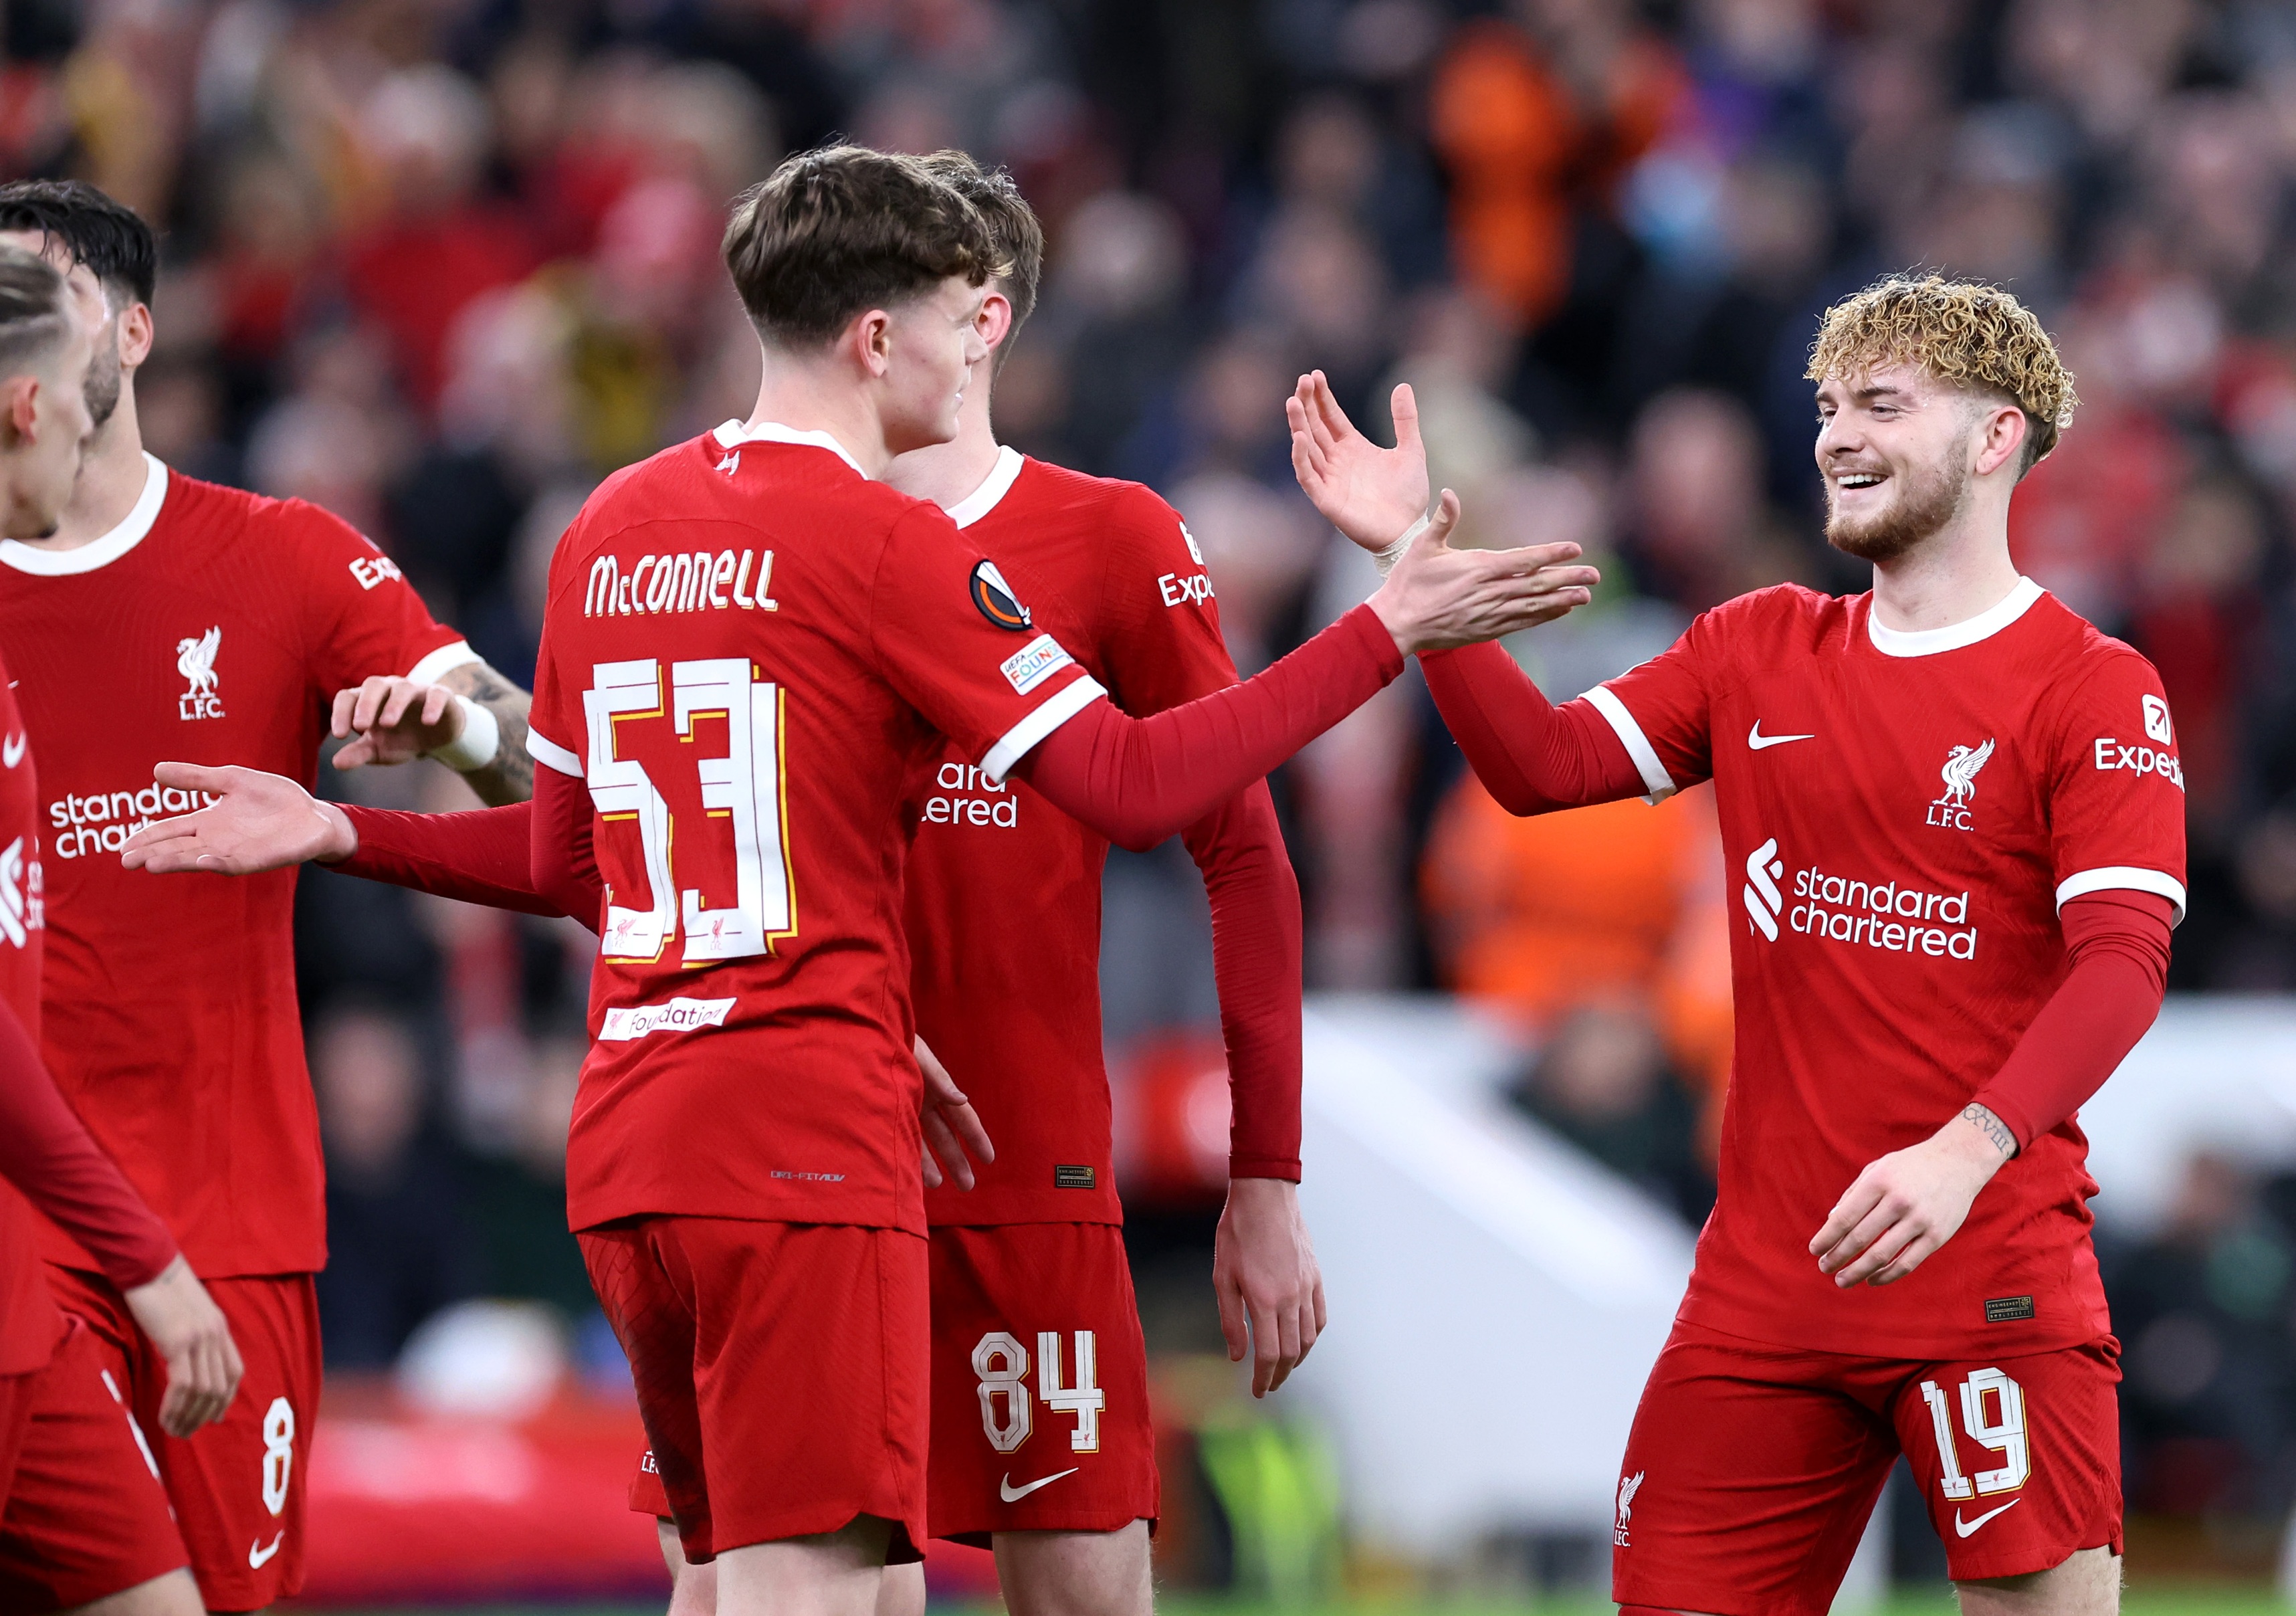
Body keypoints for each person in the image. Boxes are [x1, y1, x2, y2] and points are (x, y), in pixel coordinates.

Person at [118, 144, 1593, 1616]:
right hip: (814, 1146)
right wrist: (1385, 623)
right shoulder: (891, 544)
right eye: (953, 315)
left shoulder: (611, 523)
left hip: (701, 1140)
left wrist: (340, 830)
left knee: (792, 1583)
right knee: (808, 1588)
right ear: (889, 330)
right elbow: (1139, 781)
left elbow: (581, 861)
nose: (974, 348)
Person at [1288, 274, 2183, 1616]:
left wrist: (1970, 1143)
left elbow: (2121, 959)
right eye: (1829, 407)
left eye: (1884, 402)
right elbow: (1539, 767)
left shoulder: (2093, 684)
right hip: (1766, 1294)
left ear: (1998, 437)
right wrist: (1413, 578)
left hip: (1987, 1277)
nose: (1837, 434)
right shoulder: (1760, 644)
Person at [625, 152, 1320, 1616]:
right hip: (799, 1144)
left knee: (1075, 1591)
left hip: (1018, 1167)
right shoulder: (742, 532)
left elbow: (1239, 849)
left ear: (980, 320)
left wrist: (1266, 1172)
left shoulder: (1107, 535)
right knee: (778, 1583)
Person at [0, 179, 538, 1609]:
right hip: (18, 1245)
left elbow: (540, 777)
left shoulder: (284, 554)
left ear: (134, 329)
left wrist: (455, 731)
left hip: (229, 1219)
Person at [0, 242, 245, 1616]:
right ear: (31, 405)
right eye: (80, 404)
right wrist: (148, 1259)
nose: (91, 439)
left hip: (21, 1302)